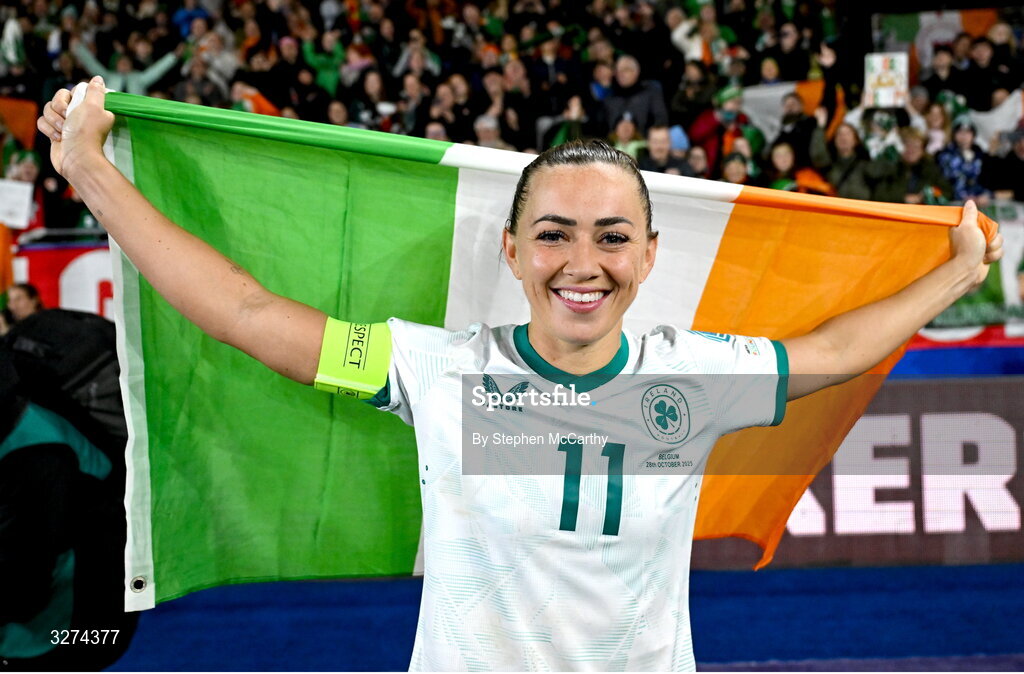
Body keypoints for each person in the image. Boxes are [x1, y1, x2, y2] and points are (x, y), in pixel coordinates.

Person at [38, 77, 1002, 672]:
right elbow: (247, 315)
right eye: (554, 234)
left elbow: (836, 350)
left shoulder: (696, 378)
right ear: (510, 250)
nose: (583, 263)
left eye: (613, 236)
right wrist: (90, 170)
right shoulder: (437, 369)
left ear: (651, 256)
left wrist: (958, 270)